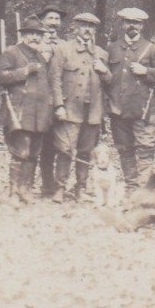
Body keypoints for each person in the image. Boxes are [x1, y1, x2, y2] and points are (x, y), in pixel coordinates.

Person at [105, 7, 155, 189]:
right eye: (128, 22)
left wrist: (146, 71)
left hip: (144, 109)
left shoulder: (151, 48)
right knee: (124, 150)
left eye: (136, 22)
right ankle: (131, 188)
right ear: (122, 24)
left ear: (142, 26)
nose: (132, 25)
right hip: (118, 109)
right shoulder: (111, 48)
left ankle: (144, 190)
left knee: (145, 150)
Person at [49, 12, 111, 202]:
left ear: (95, 30)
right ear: (76, 27)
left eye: (91, 27)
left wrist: (104, 70)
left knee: (86, 150)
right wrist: (59, 105)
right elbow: (55, 79)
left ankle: (80, 188)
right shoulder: (63, 49)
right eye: (83, 25)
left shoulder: (101, 53)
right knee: (65, 149)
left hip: (92, 112)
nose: (87, 30)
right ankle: (60, 187)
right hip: (70, 109)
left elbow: (109, 82)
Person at [0, 15, 53, 207]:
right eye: (31, 33)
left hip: (38, 114)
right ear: (24, 34)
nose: (35, 37)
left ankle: (26, 190)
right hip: (18, 111)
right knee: (21, 151)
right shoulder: (12, 52)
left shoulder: (41, 58)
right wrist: (25, 71)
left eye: (38, 34)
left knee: (34, 152)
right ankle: (13, 192)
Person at [35, 4, 67, 196]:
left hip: (62, 101)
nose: (54, 23)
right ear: (42, 21)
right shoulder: (35, 43)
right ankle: (46, 183)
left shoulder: (65, 45)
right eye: (50, 19)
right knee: (44, 145)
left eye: (57, 19)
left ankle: (59, 184)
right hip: (41, 101)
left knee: (61, 144)